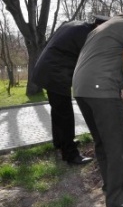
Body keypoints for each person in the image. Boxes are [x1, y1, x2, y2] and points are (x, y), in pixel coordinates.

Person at [72, 3, 123, 207]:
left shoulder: (102, 28)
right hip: (103, 91)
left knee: (103, 142)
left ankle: (112, 184)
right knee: (121, 144)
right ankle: (117, 198)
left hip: (81, 90)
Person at [32, 15, 110, 165]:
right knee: (65, 115)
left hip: (47, 69)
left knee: (58, 111)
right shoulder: (88, 36)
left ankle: (60, 143)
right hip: (55, 74)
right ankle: (71, 155)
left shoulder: (76, 25)